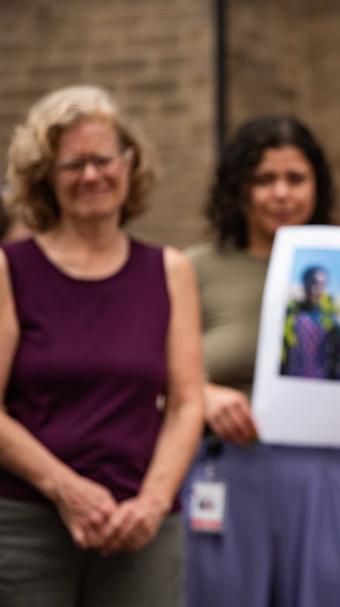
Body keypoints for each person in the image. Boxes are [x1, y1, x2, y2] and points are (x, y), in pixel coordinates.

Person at [0, 85, 204, 606]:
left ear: (129, 164)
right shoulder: (10, 269)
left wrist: (153, 504)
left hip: (143, 529)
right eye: (72, 164)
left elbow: (186, 404)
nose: (91, 175)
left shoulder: (169, 271)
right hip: (29, 525)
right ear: (46, 176)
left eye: (103, 159)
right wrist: (67, 489)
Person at [182, 116, 340, 606]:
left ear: (316, 186)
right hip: (230, 472)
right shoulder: (196, 268)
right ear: (238, 189)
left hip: (328, 472)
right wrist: (204, 394)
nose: (281, 193)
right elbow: (156, 379)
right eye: (264, 179)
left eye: (295, 179)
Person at [280, 265, 340, 379]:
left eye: (320, 285)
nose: (314, 289)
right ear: (304, 284)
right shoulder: (289, 313)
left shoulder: (331, 317)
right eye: (311, 282)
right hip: (291, 380)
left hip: (321, 382)